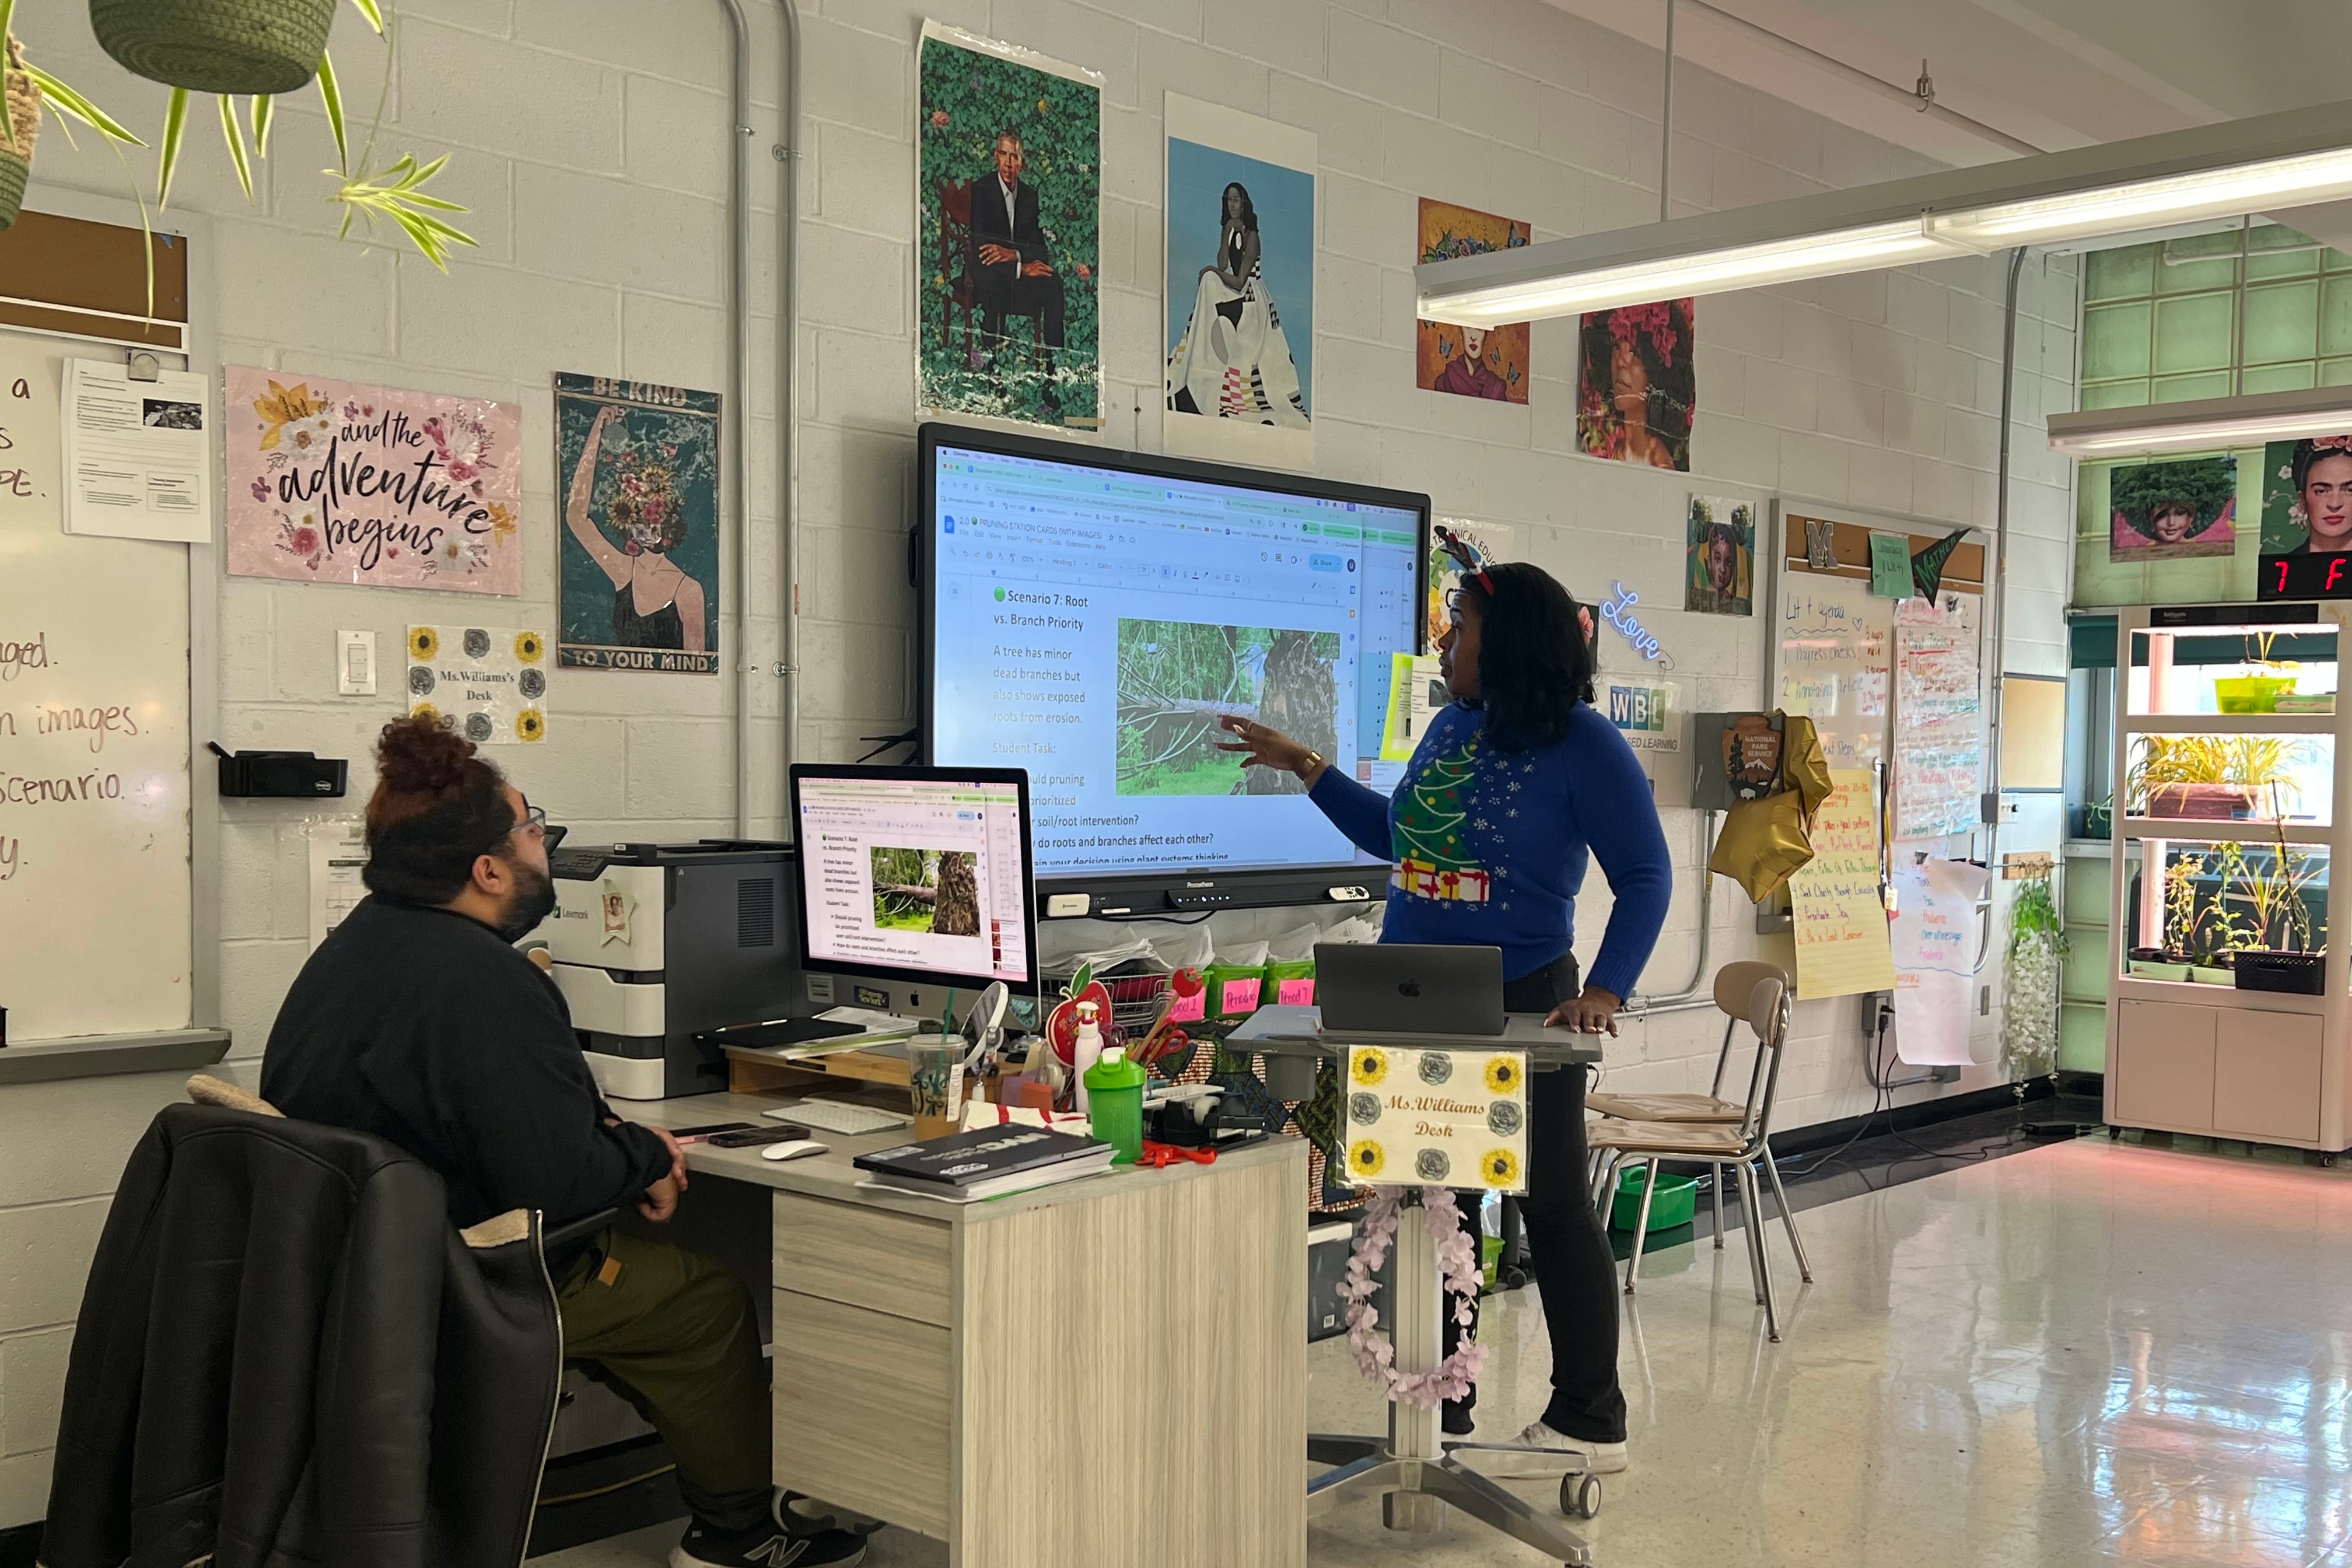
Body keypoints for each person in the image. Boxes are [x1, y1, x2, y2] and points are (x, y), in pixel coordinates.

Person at [262, 716, 864, 1568]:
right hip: (468, 1275)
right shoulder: (487, 980)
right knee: (702, 1305)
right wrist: (647, 1157)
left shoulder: (358, 947)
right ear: (488, 868)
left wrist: (613, 1142)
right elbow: (555, 1181)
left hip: (358, 1269)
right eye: (535, 828)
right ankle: (738, 1536)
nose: (548, 844)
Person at [1219, 559, 1671, 1479]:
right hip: (1410, 989)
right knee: (1434, 1197)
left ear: (1505, 642)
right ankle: (1440, 1402)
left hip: (1523, 1000)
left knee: (1548, 1201)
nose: (1445, 640)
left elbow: (1647, 879)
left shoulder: (1586, 746)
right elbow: (1398, 837)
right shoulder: (1454, 725)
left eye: (1458, 624)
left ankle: (1591, 1414)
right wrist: (1306, 767)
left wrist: (1607, 993)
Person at [566, 402, 708, 653]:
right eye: (637, 516)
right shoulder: (624, 571)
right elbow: (576, 518)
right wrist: (597, 432)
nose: (646, 526)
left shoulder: (688, 590)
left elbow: (696, 668)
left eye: (652, 515)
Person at [1166, 181, 1310, 427]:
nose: (1232, 205)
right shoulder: (1232, 231)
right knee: (1211, 280)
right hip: (1234, 288)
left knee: (1211, 278)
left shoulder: (1252, 237)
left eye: (1236, 200)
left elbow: (1241, 279)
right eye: (1228, 200)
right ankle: (1196, 358)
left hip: (1252, 297)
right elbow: (1223, 264)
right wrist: (1225, 233)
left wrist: (1212, 270)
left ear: (1244, 203)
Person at [969, 130, 1066, 354]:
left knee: (1053, 281)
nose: (1008, 163)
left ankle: (1056, 367)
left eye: (1014, 157)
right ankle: (991, 366)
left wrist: (1015, 255)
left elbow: (1039, 249)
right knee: (990, 279)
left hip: (1018, 276)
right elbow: (984, 249)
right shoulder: (982, 189)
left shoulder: (1030, 196)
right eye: (1003, 154)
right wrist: (1023, 266)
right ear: (996, 156)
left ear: (1022, 163)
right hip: (991, 273)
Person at [2292, 438, 2352, 552]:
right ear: (2303, 501)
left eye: (2350, 490)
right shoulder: (2282, 566)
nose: (2335, 504)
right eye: (2321, 491)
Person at [1432, 324, 1511, 401]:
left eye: (1480, 329)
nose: (1473, 337)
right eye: (1468, 327)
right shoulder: (1444, 382)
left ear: (1485, 337)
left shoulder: (1496, 387)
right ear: (1461, 333)